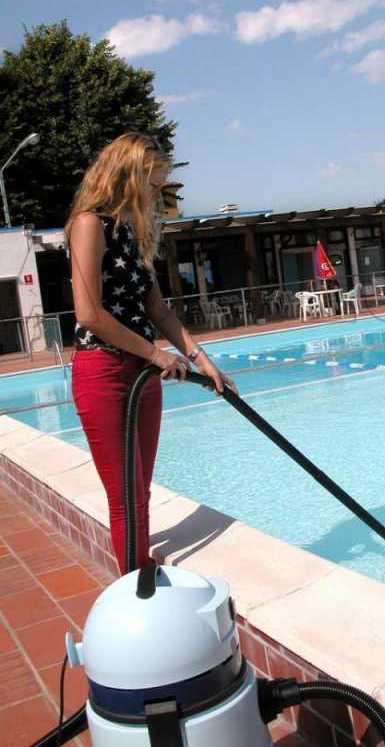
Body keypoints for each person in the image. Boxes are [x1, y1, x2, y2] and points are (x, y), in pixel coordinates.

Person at [66, 132, 237, 574]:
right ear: (128, 176)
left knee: (140, 491)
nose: (159, 195)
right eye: (155, 185)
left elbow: (157, 308)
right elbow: (89, 313)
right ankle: (136, 591)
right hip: (104, 372)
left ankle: (140, 569)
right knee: (124, 496)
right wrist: (158, 356)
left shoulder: (133, 232)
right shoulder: (90, 224)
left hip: (143, 374)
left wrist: (203, 361)